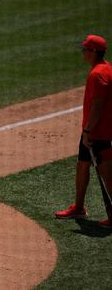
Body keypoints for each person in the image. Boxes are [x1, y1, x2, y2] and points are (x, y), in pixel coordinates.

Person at [55, 35, 112, 229]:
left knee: (106, 173)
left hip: (98, 132)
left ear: (94, 51)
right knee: (82, 165)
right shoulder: (104, 68)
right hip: (93, 131)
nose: (83, 52)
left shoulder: (98, 74)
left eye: (85, 50)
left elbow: (98, 105)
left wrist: (88, 130)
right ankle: (79, 207)